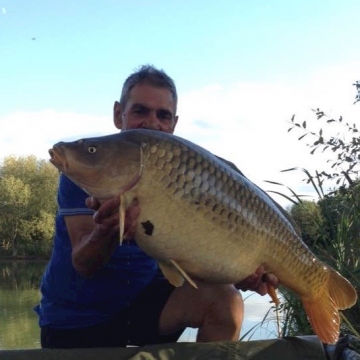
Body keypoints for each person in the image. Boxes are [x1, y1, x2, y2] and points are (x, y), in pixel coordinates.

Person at [35, 65, 278, 348]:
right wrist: (109, 230)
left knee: (226, 301)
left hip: (145, 305)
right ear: (118, 114)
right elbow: (84, 264)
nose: (152, 123)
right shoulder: (90, 170)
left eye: (162, 115)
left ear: (173, 124)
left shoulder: (183, 179)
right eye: (140, 111)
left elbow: (196, 261)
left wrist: (242, 273)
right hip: (75, 317)